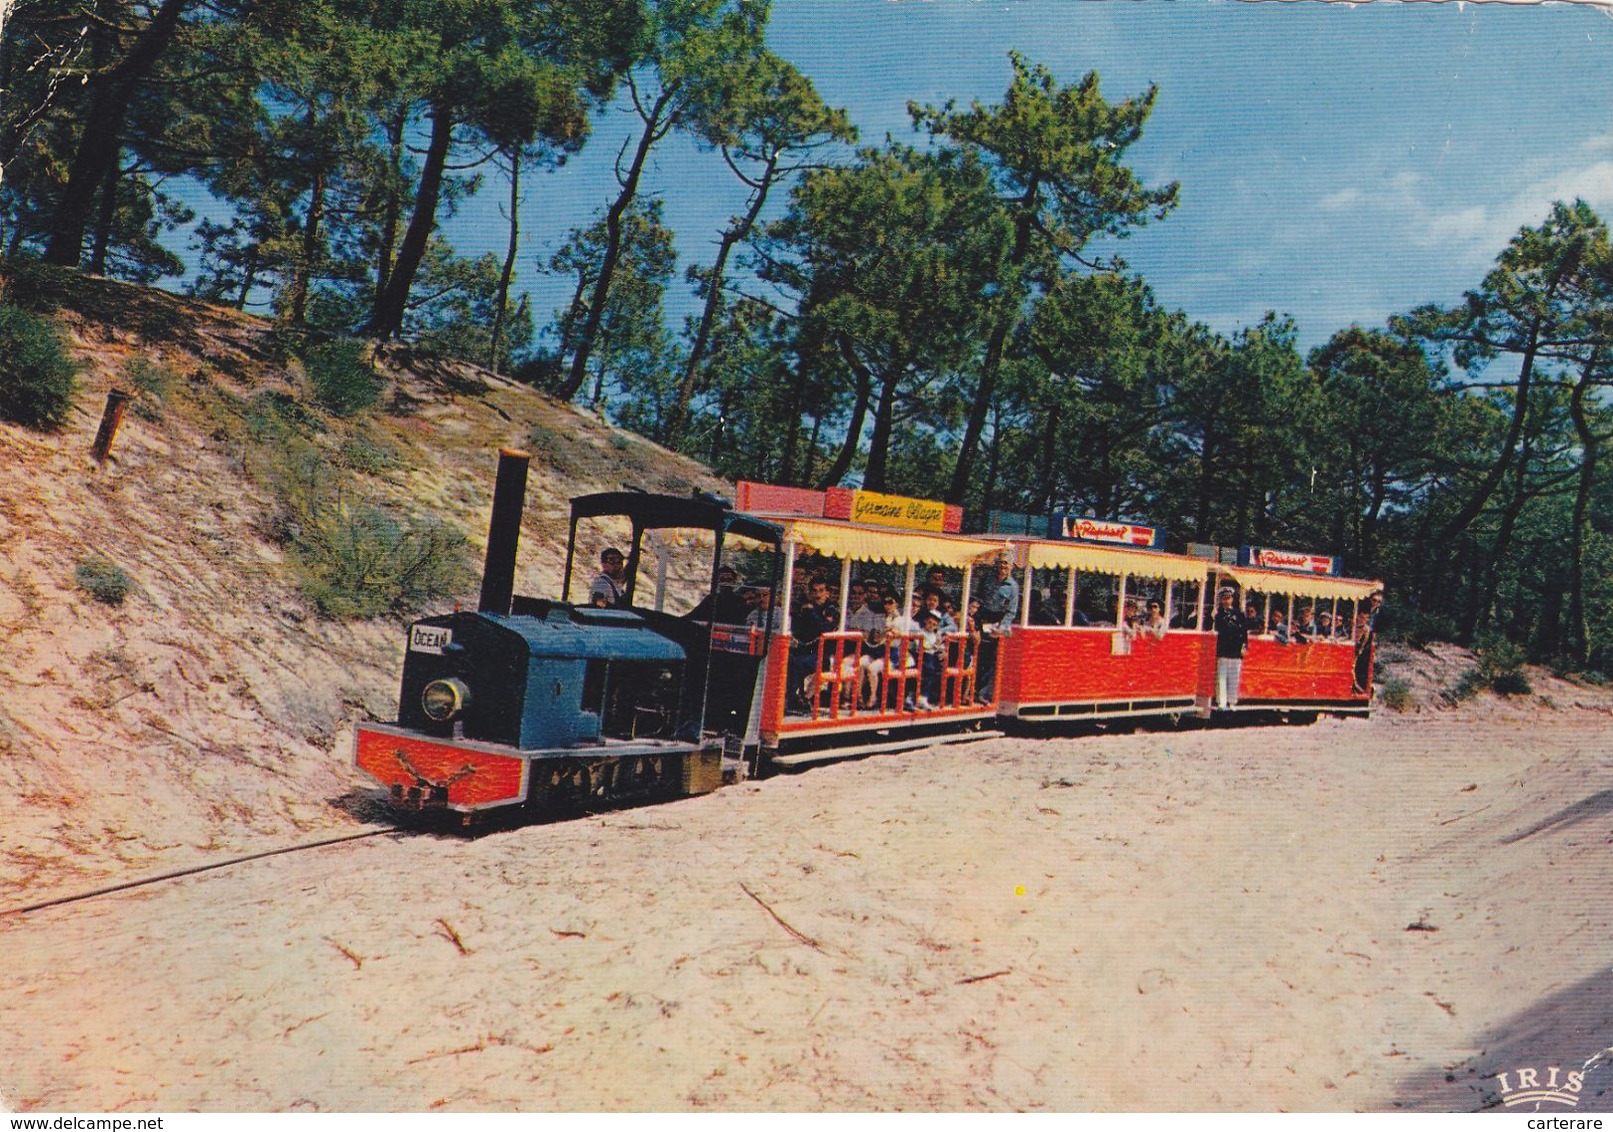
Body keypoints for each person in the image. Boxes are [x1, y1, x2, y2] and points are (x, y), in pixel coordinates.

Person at [787, 577, 839, 712]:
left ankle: (794, 699)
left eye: (821, 590)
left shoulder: (831, 609)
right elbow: (798, 628)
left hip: (823, 654)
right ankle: (790, 698)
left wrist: (811, 613)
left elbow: (824, 628)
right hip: (806, 649)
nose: (818, 594)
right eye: (814, 591)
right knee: (787, 659)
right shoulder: (805, 607)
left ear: (827, 592)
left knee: (799, 664)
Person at [974, 558, 1019, 703]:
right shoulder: (987, 579)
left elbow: (1011, 611)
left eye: (1006, 563)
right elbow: (977, 597)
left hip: (997, 621)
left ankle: (983, 692)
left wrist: (1001, 628)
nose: (1002, 566)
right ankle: (972, 690)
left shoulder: (1012, 586)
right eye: (1000, 563)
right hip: (983, 616)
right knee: (977, 655)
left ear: (1010, 566)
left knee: (991, 659)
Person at [1213, 586, 1249, 710]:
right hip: (1223, 649)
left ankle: (1232, 701)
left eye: (1228, 598)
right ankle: (1222, 702)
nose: (1226, 601)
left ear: (1232, 599)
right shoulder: (1218, 615)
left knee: (1234, 677)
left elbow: (1244, 632)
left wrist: (1244, 646)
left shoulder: (1239, 614)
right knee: (1222, 677)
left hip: (1235, 649)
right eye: (1224, 599)